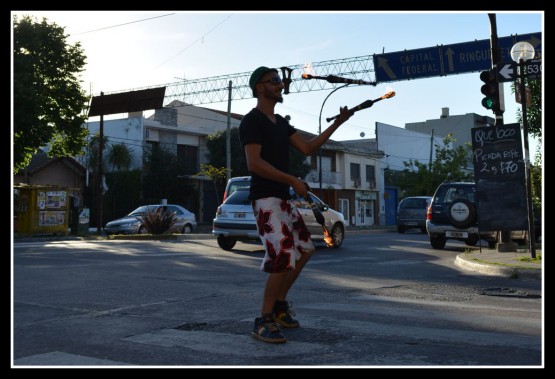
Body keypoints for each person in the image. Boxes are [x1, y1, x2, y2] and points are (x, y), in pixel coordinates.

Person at [239, 66, 352, 343]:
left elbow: (307, 148)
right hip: (266, 200)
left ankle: (278, 307)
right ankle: (262, 320)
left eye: (279, 80)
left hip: (284, 199)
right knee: (282, 256)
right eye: (274, 81)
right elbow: (254, 163)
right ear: (259, 88)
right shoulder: (252, 121)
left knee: (305, 250)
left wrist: (337, 123)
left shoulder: (279, 122)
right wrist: (291, 179)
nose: (280, 84)